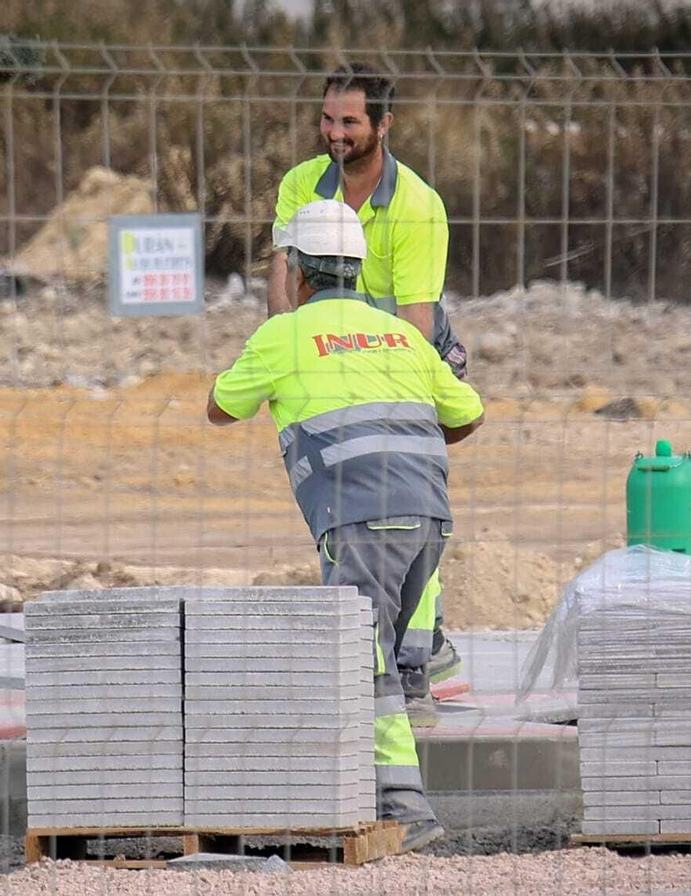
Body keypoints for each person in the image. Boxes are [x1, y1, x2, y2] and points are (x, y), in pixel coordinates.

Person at [208, 200, 484, 852]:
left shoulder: (285, 335)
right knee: (379, 649)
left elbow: (222, 407)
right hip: (429, 518)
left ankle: (408, 812)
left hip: (360, 521)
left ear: (297, 271)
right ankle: (371, 792)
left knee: (369, 664)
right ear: (359, 269)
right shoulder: (403, 335)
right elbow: (467, 412)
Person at [269, 62, 468, 723]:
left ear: (383, 123)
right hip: (328, 364)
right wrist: (286, 350)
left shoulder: (417, 206)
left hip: (401, 366)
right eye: (327, 119)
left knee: (411, 498)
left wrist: (367, 374)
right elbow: (281, 276)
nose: (335, 133)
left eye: (350, 121)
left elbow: (414, 325)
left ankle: (416, 657)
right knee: (341, 508)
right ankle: (380, 650)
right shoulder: (301, 185)